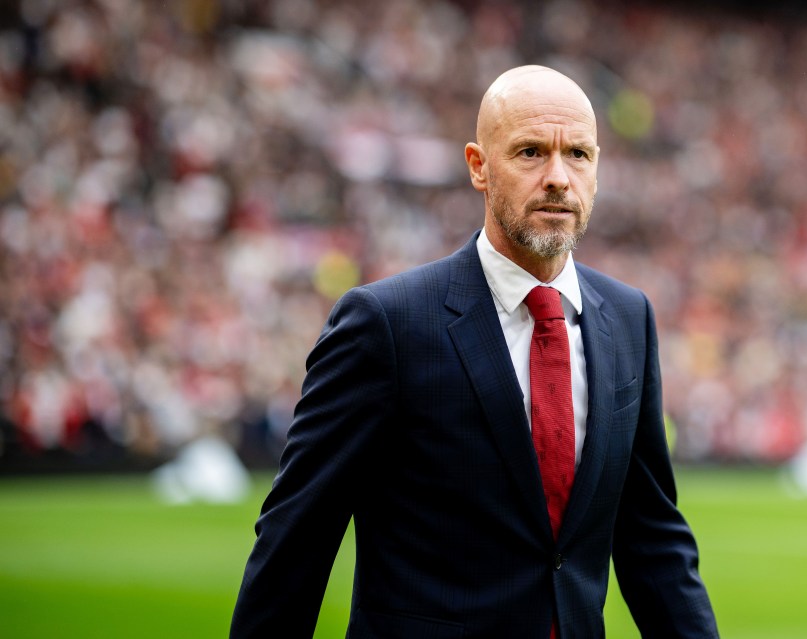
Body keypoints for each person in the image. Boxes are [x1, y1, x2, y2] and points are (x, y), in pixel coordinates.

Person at [230, 65, 719, 639]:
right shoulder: (387, 324)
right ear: (478, 166)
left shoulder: (629, 316)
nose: (559, 177)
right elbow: (297, 541)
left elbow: (652, 536)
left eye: (578, 155)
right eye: (531, 152)